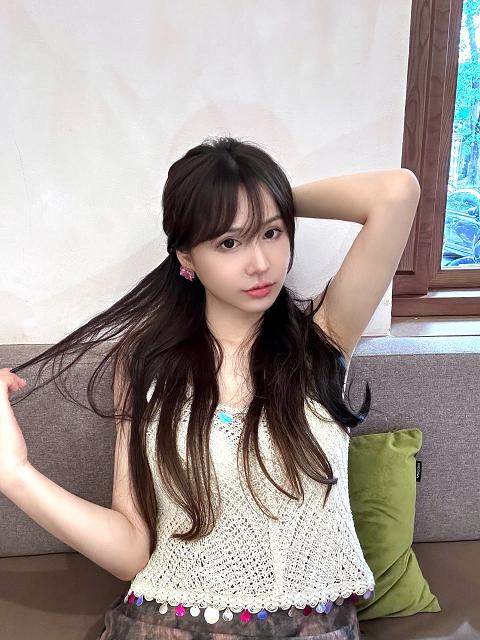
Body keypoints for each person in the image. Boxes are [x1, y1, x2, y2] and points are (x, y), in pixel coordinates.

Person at [0, 136, 420, 639]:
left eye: (272, 232)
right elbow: (131, 551)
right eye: (228, 242)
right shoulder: (144, 365)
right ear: (187, 255)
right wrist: (14, 474)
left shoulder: (324, 337)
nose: (260, 263)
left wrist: (263, 195)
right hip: (169, 625)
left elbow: (396, 193)